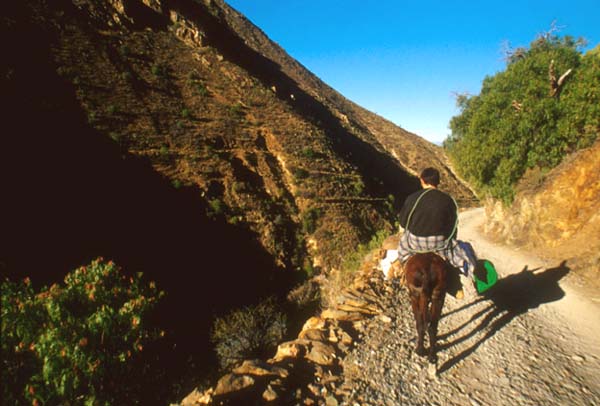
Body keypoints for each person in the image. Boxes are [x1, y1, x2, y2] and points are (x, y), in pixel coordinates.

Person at [397, 167, 477, 297]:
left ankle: (403, 274)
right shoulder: (448, 200)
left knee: (402, 248)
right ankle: (455, 283)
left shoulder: (412, 198)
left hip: (415, 243)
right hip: (439, 244)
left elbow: (403, 223)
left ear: (422, 181)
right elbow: (453, 226)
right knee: (456, 253)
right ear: (438, 182)